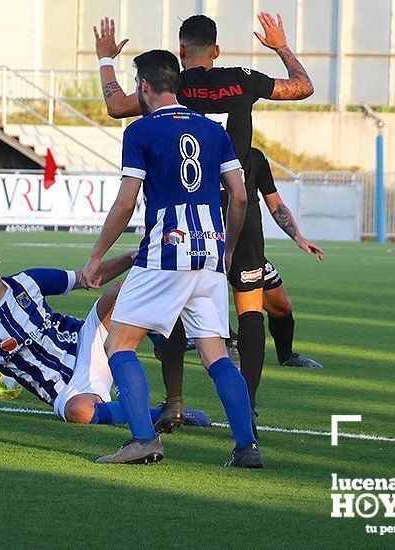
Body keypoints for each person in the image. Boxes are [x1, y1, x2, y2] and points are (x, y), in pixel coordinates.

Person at [93, 13, 314, 433]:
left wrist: (105, 59)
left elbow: (115, 106)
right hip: (236, 200)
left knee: (171, 310)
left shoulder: (173, 87)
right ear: (216, 51)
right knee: (249, 306)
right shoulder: (243, 79)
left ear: (180, 51)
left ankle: (174, 401)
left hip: (186, 208)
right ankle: (245, 412)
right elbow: (303, 87)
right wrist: (280, 46)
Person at [81, 50, 260, 467]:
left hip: (166, 252)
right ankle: (246, 447)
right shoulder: (213, 130)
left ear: (144, 86)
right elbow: (238, 195)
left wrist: (96, 257)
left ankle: (144, 440)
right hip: (209, 252)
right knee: (214, 353)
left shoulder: (141, 131)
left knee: (119, 343)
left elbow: (127, 202)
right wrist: (228, 246)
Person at [0, 236, 211, 427]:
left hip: (86, 341)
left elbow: (88, 279)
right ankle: (164, 414)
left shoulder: (28, 282)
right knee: (79, 413)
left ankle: (164, 339)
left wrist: (133, 256)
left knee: (122, 292)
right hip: (62, 389)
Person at [248, 148, 324, 368]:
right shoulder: (203, 151)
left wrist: (298, 237)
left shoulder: (255, 158)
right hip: (207, 243)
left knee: (281, 307)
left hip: (248, 248)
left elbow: (276, 204)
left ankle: (286, 355)